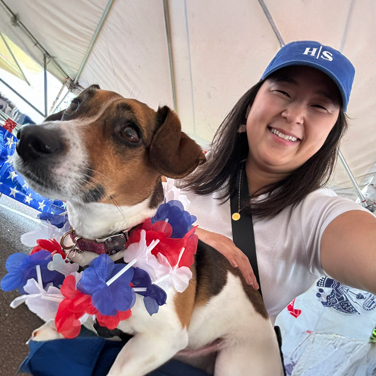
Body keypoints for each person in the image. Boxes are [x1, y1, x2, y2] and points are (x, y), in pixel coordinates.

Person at [179, 40, 376, 324]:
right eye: (283, 92)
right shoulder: (181, 168)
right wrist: (182, 236)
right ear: (250, 105)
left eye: (320, 106)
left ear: (330, 135)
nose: (294, 115)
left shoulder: (316, 214)